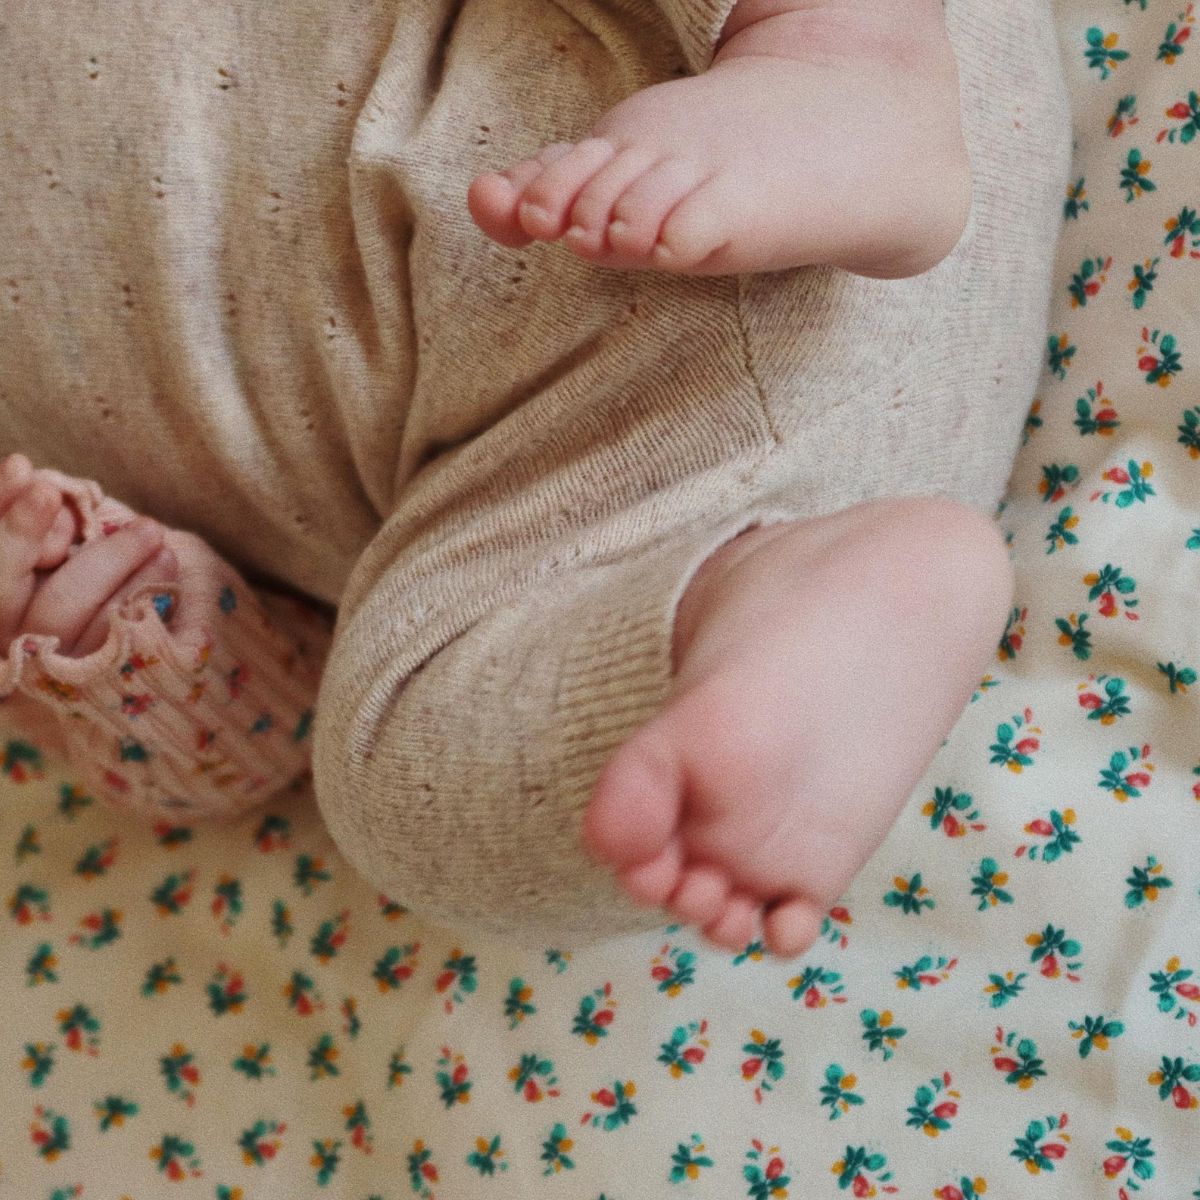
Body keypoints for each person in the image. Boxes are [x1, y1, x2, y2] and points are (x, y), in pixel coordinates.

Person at [0, 0, 1070, 957]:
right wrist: (110, 636)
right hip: (612, 513)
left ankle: (840, 42)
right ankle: (776, 601)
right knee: (395, 795)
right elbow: (252, 733)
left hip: (727, 65)